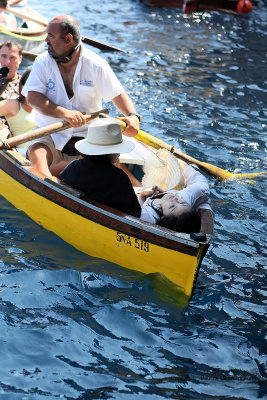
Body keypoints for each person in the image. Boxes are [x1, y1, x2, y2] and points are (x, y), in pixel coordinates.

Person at [21, 14, 141, 177]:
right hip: (49, 132)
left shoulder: (97, 64)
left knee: (109, 166)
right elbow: (33, 97)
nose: (46, 40)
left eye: (51, 36)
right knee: (37, 152)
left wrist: (133, 117)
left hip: (88, 137)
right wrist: (64, 113)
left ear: (68, 39)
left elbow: (118, 95)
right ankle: (45, 185)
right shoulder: (42, 61)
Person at [60, 118, 141, 217]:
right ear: (112, 152)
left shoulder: (74, 166)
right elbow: (135, 213)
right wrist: (142, 197)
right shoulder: (119, 177)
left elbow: (63, 182)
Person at [138, 160, 212, 233]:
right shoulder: (185, 197)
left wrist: (142, 196)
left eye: (172, 207)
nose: (175, 199)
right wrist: (183, 165)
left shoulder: (149, 216)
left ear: (163, 217)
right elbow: (202, 185)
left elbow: (134, 214)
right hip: (172, 186)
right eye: (182, 203)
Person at [0, 67, 36, 156]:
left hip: (44, 149)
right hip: (22, 154)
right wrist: (2, 129)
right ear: (23, 87)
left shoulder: (44, 106)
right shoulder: (14, 105)